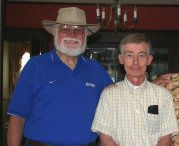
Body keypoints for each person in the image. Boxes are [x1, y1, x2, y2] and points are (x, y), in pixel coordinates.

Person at [7, 7, 113, 146]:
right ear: (54, 32)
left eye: (79, 29)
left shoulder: (96, 69)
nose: (72, 34)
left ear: (86, 35)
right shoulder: (35, 66)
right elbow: (17, 117)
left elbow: (118, 96)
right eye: (65, 28)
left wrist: (149, 84)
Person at [91, 33, 178, 146]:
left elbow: (166, 137)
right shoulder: (109, 95)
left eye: (141, 55)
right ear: (121, 59)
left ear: (149, 59)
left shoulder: (163, 95)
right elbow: (105, 138)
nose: (135, 62)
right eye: (130, 55)